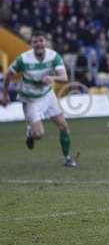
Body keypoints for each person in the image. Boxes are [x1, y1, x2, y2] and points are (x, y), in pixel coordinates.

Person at [1, 31, 77, 167]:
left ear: (45, 42)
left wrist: (52, 78)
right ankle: (31, 133)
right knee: (39, 134)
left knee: (64, 126)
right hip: (30, 99)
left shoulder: (53, 56)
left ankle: (67, 158)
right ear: (32, 44)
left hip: (47, 95)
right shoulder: (23, 59)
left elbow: (64, 77)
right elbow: (8, 75)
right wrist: (5, 94)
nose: (39, 44)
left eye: (41, 41)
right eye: (35, 42)